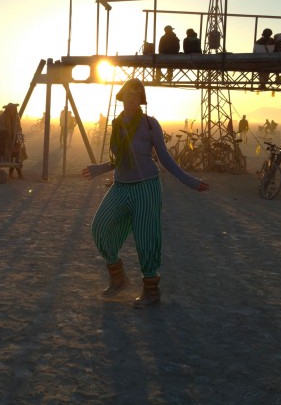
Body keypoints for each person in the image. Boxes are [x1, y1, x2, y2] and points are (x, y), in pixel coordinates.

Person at [81, 78, 209, 308]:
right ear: (121, 97)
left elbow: (164, 157)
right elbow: (118, 158)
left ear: (141, 99)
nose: (131, 98)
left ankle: (151, 290)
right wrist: (100, 168)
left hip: (147, 186)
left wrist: (189, 181)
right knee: (99, 227)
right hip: (120, 186)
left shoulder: (150, 124)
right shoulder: (117, 123)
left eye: (136, 95)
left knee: (146, 238)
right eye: (128, 94)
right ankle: (118, 278)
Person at [0, 102, 27, 175]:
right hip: (5, 139)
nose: (13, 111)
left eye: (14, 109)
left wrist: (19, 139)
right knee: (11, 154)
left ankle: (17, 168)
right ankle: (12, 170)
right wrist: (6, 134)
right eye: (11, 109)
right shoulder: (3, 117)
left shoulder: (16, 117)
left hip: (15, 137)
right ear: (8, 110)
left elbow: (19, 128)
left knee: (19, 150)